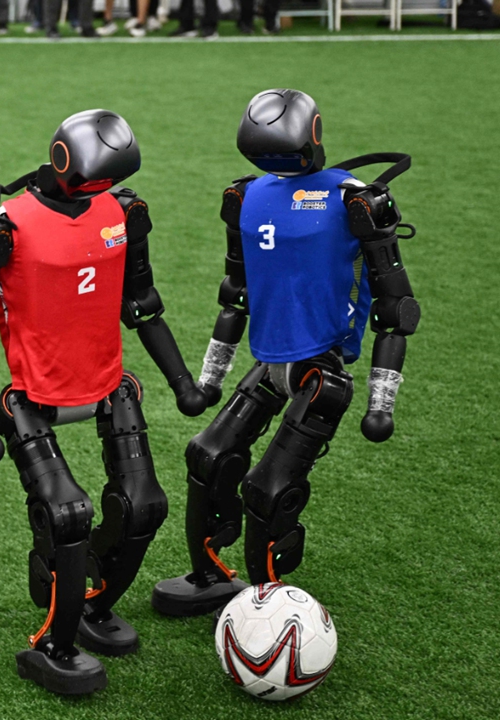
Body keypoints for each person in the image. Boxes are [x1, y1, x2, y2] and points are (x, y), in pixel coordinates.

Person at [0, 110, 207, 695]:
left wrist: (182, 381)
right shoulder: (2, 228)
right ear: (65, 162)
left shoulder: (123, 213)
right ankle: (53, 647)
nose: (100, 191)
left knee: (145, 506)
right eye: (94, 180)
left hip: (110, 383)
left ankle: (95, 602)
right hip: (31, 398)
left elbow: (143, 306)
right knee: (68, 514)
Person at [151, 89, 420, 618]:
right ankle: (208, 573)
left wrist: (380, 404)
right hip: (268, 359)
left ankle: (269, 607)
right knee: (207, 455)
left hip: (319, 369)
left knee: (268, 488)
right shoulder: (245, 197)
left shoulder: (356, 201)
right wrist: (211, 378)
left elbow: (397, 309)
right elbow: (236, 294)